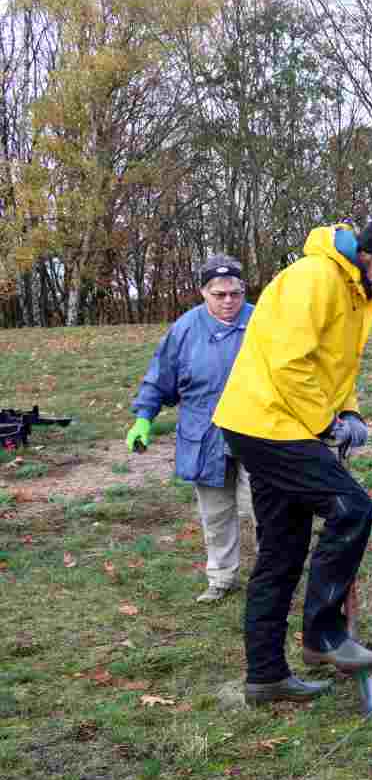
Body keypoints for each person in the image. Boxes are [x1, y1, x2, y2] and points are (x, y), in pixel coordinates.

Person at [213, 213, 372, 705]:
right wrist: (327, 424)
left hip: (285, 422)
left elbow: (337, 365)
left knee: (282, 551)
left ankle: (266, 677)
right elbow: (290, 365)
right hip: (265, 421)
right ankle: (323, 636)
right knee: (352, 509)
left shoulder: (359, 291)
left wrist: (350, 412)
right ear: (367, 252)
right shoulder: (315, 277)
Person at [127, 255, 256, 603]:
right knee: (215, 514)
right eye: (219, 294)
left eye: (235, 293)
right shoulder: (184, 329)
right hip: (204, 435)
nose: (228, 301)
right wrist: (144, 417)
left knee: (266, 512)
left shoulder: (264, 322)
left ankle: (273, 580)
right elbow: (160, 377)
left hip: (257, 433)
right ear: (203, 292)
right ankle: (222, 578)